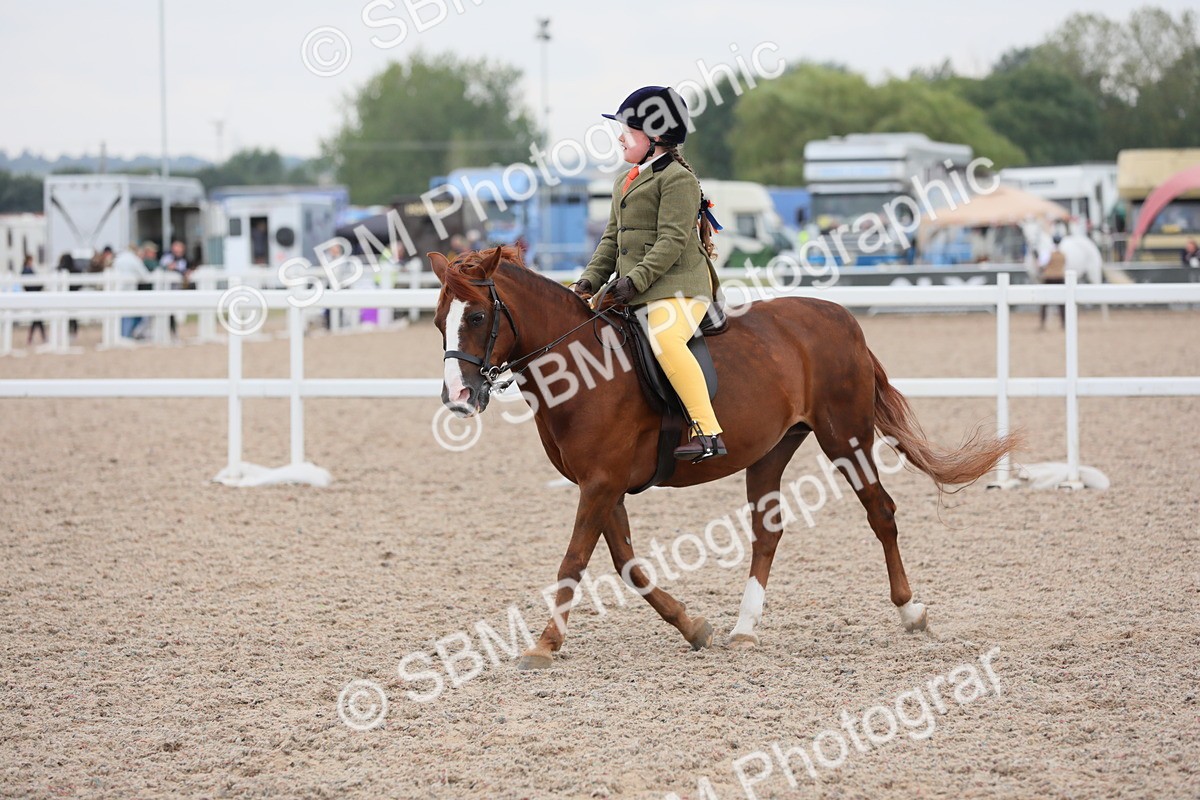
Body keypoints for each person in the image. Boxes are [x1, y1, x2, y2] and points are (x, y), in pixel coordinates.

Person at [571, 85, 725, 461]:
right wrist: (588, 281)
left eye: (629, 130)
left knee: (666, 341)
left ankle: (708, 431)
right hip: (636, 287)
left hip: (679, 287)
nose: (621, 138)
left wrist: (633, 281)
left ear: (656, 137)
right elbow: (611, 239)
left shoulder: (677, 180)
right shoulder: (624, 181)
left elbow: (671, 241)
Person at [112, 244, 150, 338]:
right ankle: (126, 335)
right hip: (129, 291)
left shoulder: (118, 259)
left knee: (119, 315)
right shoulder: (134, 260)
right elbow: (145, 276)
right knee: (130, 314)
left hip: (116, 290)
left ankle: (119, 335)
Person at [1038, 236, 1067, 330]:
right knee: (1062, 303)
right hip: (1060, 277)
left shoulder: (1047, 253)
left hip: (1049, 278)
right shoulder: (1063, 254)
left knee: (1044, 302)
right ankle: (1063, 323)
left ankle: (1043, 323)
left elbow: (1041, 265)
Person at [21, 256, 46, 346]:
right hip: (34, 295)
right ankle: (41, 337)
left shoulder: (25, 270)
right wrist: (40, 286)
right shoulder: (27, 270)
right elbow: (31, 285)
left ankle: (34, 337)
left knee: (36, 318)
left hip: (33, 295)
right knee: (37, 318)